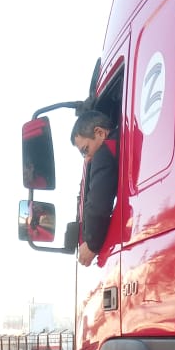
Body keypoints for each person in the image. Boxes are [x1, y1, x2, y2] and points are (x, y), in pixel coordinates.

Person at [71, 108, 118, 267]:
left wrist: (91, 243)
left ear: (100, 133)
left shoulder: (104, 153)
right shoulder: (124, 140)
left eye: (86, 150)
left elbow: (98, 204)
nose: (87, 159)